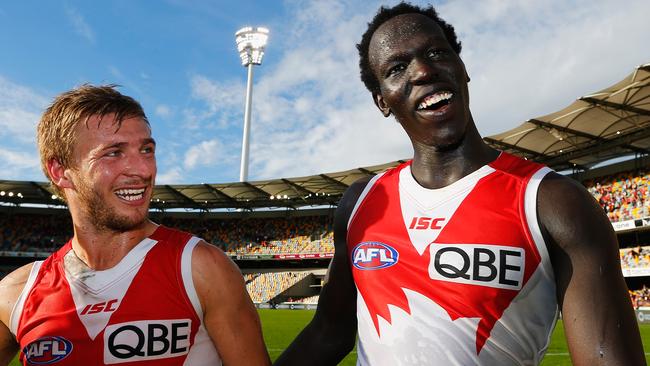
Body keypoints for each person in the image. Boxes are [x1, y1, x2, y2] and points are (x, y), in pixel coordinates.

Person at [276, 3, 645, 365]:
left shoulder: (552, 201)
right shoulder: (361, 202)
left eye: (436, 52)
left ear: (462, 67)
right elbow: (329, 331)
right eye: (397, 67)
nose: (422, 71)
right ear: (381, 101)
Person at [0, 85, 271, 366]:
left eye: (146, 150)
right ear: (61, 171)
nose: (143, 170)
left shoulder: (201, 268)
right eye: (113, 153)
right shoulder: (17, 293)